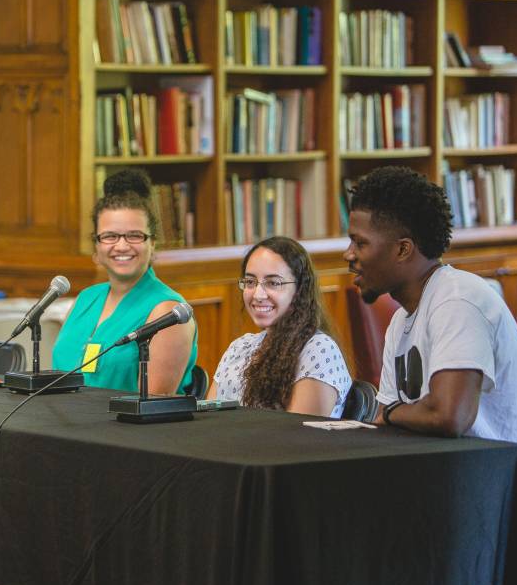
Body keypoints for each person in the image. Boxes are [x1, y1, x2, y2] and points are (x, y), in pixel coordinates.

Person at [344, 165, 517, 547]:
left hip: (502, 511)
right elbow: (385, 422)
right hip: (445, 493)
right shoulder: (401, 321)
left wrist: (394, 413)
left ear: (402, 249)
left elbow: (449, 415)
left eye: (359, 243)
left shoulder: (458, 300)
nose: (349, 255)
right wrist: (393, 415)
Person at [51, 169, 197, 394]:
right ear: (97, 245)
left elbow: (150, 406)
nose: (121, 246)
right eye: (110, 236)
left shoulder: (168, 313)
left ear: (153, 243)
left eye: (134, 235)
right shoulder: (86, 298)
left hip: (120, 428)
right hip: (56, 423)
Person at [208, 236, 351, 417]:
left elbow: (298, 437)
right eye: (250, 282)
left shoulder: (318, 349)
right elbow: (208, 418)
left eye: (273, 283)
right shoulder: (239, 347)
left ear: (300, 289)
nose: (258, 295)